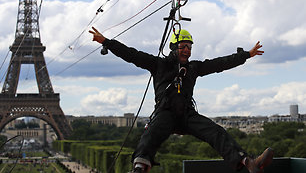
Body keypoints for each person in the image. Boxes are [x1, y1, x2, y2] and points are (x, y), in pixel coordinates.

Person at [89, 27, 274, 173]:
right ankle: (139, 168)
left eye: (190, 47)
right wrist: (106, 42)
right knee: (150, 135)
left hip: (186, 114)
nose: (187, 50)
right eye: (183, 46)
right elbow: (131, 54)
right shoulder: (159, 64)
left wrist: (246, 55)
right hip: (165, 112)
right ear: (173, 48)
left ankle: (249, 163)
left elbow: (220, 64)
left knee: (215, 131)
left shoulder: (193, 68)